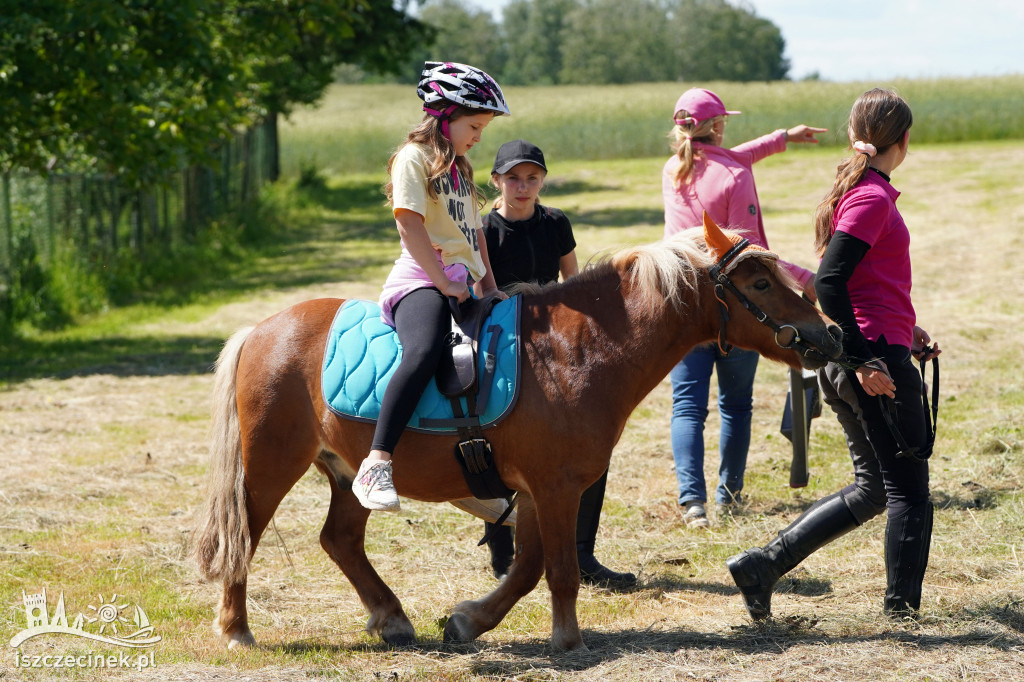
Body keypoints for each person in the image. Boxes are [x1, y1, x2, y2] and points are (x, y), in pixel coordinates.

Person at [727, 88, 941, 620]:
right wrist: (867, 359)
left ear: (854, 136)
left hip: (864, 354)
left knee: (874, 490)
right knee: (909, 493)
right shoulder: (870, 197)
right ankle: (901, 615)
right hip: (869, 364)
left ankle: (763, 566)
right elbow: (830, 281)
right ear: (905, 141)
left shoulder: (859, 193)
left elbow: (865, 285)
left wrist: (905, 329)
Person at [662, 87, 825, 528]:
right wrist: (808, 280)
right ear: (716, 126)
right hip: (736, 307)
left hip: (684, 305)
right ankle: (729, 495)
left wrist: (782, 137)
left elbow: (730, 156)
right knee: (736, 404)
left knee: (686, 406)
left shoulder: (674, 167)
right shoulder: (734, 177)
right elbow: (747, 253)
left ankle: (692, 502)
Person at [351, 61, 510, 512]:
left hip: (463, 284)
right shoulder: (413, 158)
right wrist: (442, 284)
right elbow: (409, 224)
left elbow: (474, 233)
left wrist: (490, 287)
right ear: (445, 116)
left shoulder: (460, 167)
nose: (479, 135)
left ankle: (469, 474)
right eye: (474, 125)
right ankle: (377, 461)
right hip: (422, 280)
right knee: (423, 351)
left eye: (482, 128)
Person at [477, 139, 636, 588]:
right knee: (504, 445)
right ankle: (504, 556)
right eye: (513, 178)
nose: (522, 187)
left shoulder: (556, 223)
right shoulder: (485, 229)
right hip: (504, 342)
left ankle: (582, 555)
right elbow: (479, 292)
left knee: (587, 444)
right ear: (497, 181)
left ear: (543, 180)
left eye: (531, 178)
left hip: (556, 344)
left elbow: (575, 284)